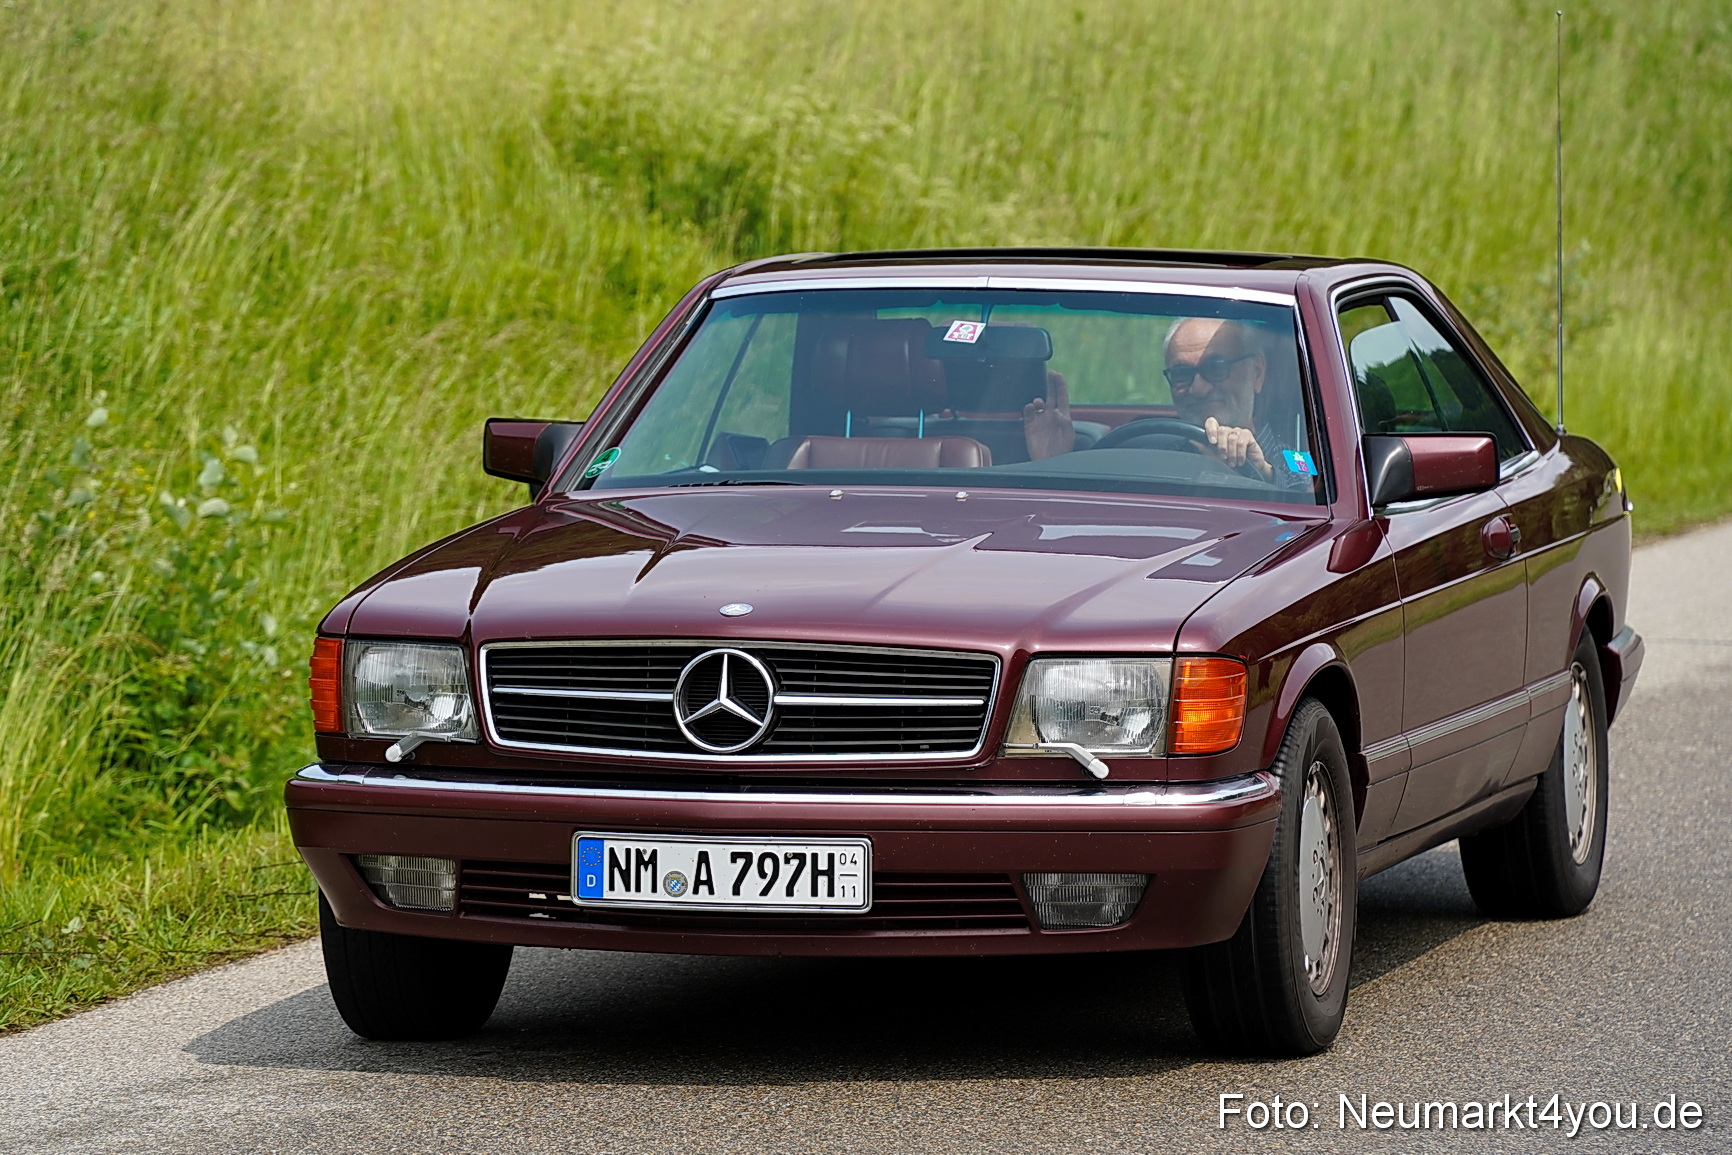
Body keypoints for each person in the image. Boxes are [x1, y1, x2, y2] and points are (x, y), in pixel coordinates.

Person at [1021, 316, 1308, 488]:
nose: (1199, 388)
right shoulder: (1146, 450)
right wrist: (1054, 463)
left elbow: (1310, 489)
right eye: (1182, 374)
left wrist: (1263, 472)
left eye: (1216, 368)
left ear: (1257, 373)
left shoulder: (1294, 452)